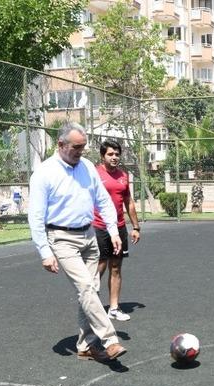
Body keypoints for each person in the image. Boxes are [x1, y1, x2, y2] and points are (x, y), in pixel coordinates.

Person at [28, 122, 127, 363]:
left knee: (90, 290)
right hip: (61, 238)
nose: (80, 152)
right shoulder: (44, 172)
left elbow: (102, 200)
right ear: (60, 145)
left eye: (83, 148)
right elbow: (36, 215)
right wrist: (44, 251)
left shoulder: (87, 168)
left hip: (89, 235)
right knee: (84, 287)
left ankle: (85, 346)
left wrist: (113, 231)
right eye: (76, 147)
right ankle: (110, 339)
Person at [93, 139, 141, 322]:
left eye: (117, 154)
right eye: (110, 154)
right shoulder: (95, 174)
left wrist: (135, 226)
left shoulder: (123, 176)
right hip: (98, 227)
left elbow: (128, 202)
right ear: (102, 156)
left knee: (116, 267)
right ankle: (92, 307)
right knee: (100, 266)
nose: (114, 157)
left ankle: (113, 308)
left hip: (119, 227)